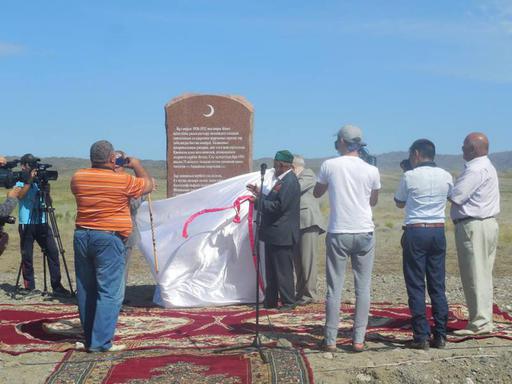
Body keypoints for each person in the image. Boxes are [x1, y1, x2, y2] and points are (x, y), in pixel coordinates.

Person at [71, 140, 153, 352]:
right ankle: (101, 343)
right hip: (109, 238)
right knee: (109, 292)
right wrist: (136, 165)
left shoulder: (78, 177)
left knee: (86, 288)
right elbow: (148, 184)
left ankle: (90, 338)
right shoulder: (122, 181)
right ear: (111, 159)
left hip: (82, 235)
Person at [313, 124, 380, 353]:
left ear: (341, 141)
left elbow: (317, 193)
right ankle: (358, 339)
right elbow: (373, 201)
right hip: (363, 230)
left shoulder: (329, 165)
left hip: (339, 231)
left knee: (335, 287)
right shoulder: (371, 169)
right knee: (363, 288)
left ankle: (330, 339)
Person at [394, 139, 453, 349]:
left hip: (416, 229)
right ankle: (441, 334)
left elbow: (399, 202)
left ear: (416, 154)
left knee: (416, 284)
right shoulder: (446, 175)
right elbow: (451, 197)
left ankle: (420, 336)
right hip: (438, 230)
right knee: (437, 284)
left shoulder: (409, 176)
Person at [450, 132, 500, 336]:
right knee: (483, 273)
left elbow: (456, 196)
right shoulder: (486, 166)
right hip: (486, 224)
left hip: (474, 226)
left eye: (464, 145)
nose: (461, 149)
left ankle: (479, 323)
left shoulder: (475, 169)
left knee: (475, 273)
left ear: (473, 148)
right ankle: (483, 318)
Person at [247, 150, 300, 311]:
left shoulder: (290, 181)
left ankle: (288, 302)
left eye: (275, 165)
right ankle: (270, 300)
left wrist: (257, 202)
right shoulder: (281, 181)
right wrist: (259, 193)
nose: (274, 167)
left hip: (282, 234)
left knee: (283, 271)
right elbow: (273, 199)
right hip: (273, 233)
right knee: (271, 270)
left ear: (282, 165)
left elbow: (279, 207)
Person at [15, 153, 69, 295]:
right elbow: (19, 196)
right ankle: (29, 287)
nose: (33, 167)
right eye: (30, 165)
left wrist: (47, 191)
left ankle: (56, 286)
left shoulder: (40, 182)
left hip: (42, 221)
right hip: (26, 222)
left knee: (53, 252)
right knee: (27, 255)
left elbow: (49, 202)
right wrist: (29, 181)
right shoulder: (20, 181)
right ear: (23, 166)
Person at [114, 150, 156, 300]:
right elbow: (134, 203)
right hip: (119, 231)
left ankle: (117, 297)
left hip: (123, 232)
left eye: (119, 163)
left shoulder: (130, 181)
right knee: (117, 268)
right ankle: (115, 299)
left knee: (121, 268)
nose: (116, 166)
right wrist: (145, 189)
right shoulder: (126, 183)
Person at [292, 155, 325, 305]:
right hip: (295, 224)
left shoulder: (308, 174)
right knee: (298, 261)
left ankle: (310, 294)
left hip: (308, 222)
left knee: (308, 260)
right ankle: (300, 293)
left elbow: (295, 189)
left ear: (294, 166)